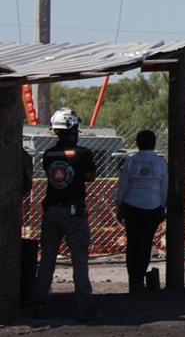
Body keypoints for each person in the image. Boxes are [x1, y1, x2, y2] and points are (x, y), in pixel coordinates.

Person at [33, 108, 97, 320]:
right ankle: (84, 304)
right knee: (79, 258)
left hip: (51, 211)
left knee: (48, 258)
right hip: (73, 212)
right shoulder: (84, 153)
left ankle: (39, 301)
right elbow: (90, 177)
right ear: (71, 129)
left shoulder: (49, 154)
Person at [116, 129, 168, 294]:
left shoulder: (131, 161)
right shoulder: (160, 163)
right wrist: (162, 206)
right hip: (152, 207)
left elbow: (123, 186)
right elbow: (164, 188)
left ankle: (134, 280)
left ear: (137, 143)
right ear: (154, 143)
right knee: (145, 244)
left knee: (132, 244)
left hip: (131, 206)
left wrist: (120, 205)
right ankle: (140, 279)